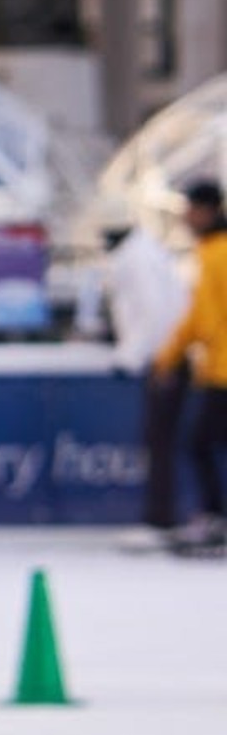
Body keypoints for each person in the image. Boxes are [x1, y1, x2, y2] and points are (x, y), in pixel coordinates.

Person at [88, 212, 190, 546]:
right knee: (160, 440)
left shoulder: (138, 259)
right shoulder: (140, 254)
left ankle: (161, 520)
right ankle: (161, 517)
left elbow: (153, 311)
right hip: (165, 358)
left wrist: (130, 355)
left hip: (165, 360)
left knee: (160, 441)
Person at [152, 181, 227, 555]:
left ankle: (215, 518)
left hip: (223, 372)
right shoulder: (211, 251)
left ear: (208, 210)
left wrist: (170, 355)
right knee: (205, 443)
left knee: (199, 443)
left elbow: (203, 318)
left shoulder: (216, 254)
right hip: (217, 369)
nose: (185, 217)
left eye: (190, 209)